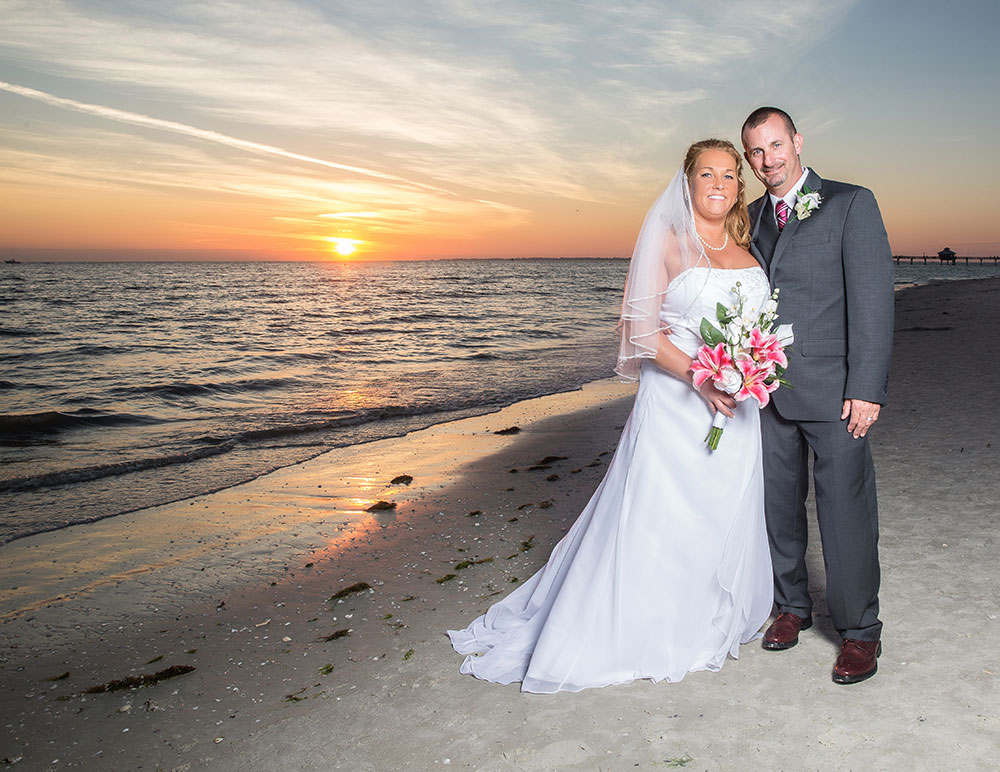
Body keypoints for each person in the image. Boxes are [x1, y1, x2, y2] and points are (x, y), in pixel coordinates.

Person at [448, 139, 775, 693]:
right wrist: (705, 375)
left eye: (728, 175)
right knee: (660, 511)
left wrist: (749, 369)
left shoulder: (746, 244)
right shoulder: (670, 241)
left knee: (720, 509)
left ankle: (707, 613)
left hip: (739, 408)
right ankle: (646, 626)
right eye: (706, 174)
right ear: (688, 182)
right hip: (678, 405)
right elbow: (641, 332)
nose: (718, 184)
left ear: (738, 187)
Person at [740, 107, 893, 684]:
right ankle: (792, 608)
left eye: (776, 146)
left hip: (836, 392)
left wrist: (866, 388)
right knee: (778, 505)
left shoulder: (851, 203)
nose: (767, 161)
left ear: (797, 141)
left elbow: (874, 299)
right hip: (768, 391)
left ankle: (860, 632)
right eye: (755, 152)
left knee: (845, 510)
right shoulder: (750, 217)